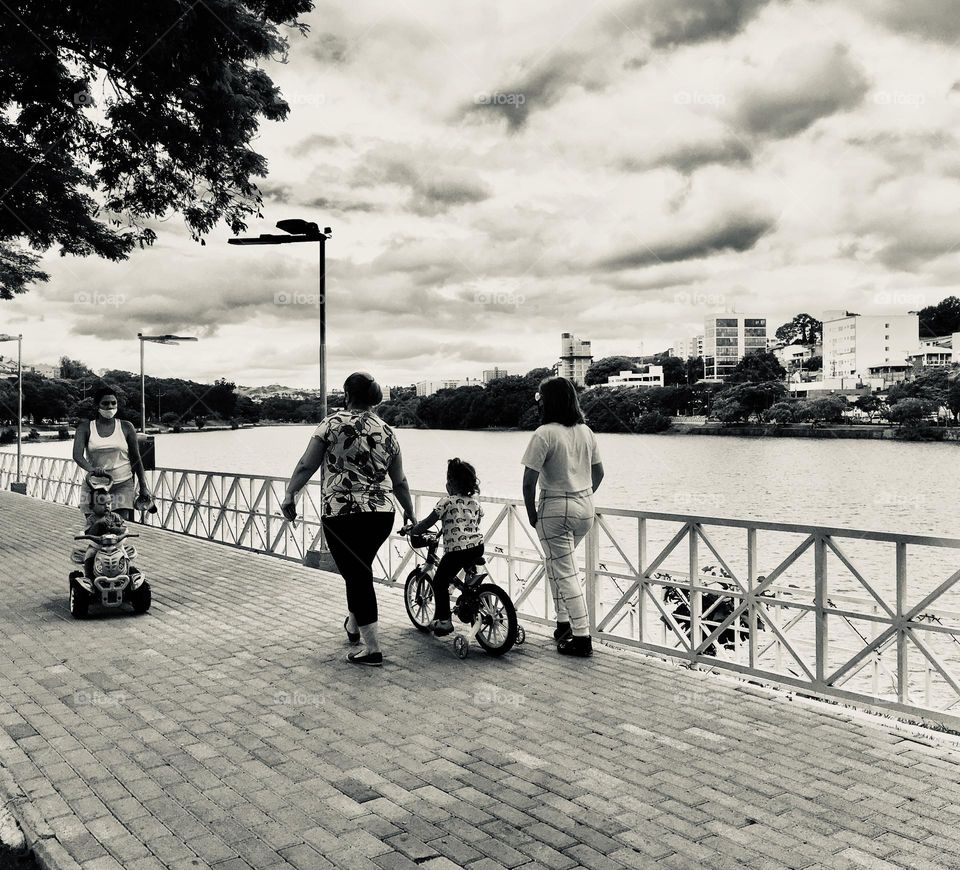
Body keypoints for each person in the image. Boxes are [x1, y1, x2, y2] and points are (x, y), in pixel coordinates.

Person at [281, 372, 416, 667]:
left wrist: (291, 493)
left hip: (343, 514)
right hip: (382, 514)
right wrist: (410, 511)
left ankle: (373, 649)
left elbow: (307, 464)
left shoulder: (331, 424)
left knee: (357, 576)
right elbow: (400, 481)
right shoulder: (387, 431)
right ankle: (354, 627)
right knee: (359, 570)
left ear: (346, 394)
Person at [521, 376, 604, 657]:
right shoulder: (586, 431)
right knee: (556, 565)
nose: (539, 401)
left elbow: (529, 481)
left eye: (540, 397)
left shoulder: (544, 433)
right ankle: (563, 624)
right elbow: (599, 473)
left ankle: (582, 638)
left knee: (565, 572)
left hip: (555, 507)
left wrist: (533, 514)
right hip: (585, 507)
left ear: (549, 401)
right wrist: (583, 493)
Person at [407, 458, 484, 636]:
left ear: (450, 483)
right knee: (467, 583)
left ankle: (444, 621)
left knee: (440, 582)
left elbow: (428, 522)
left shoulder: (446, 502)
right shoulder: (474, 503)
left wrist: (414, 530)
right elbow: (474, 521)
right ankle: (469, 602)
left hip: (457, 551)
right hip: (477, 546)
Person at [73, 386, 152, 522]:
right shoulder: (85, 428)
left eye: (113, 403)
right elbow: (77, 455)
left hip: (122, 484)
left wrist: (143, 486)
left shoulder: (127, 427)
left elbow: (136, 458)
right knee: (95, 528)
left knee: (118, 527)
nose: (110, 406)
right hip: (94, 486)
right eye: (105, 403)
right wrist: (92, 469)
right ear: (97, 405)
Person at [81, 486, 127, 579]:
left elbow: (123, 529)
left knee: (124, 555)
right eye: (102, 504)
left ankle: (127, 573)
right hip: (97, 546)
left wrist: (116, 529)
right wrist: (98, 524)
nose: (107, 506)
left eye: (109, 503)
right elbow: (89, 533)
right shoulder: (92, 519)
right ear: (92, 506)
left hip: (115, 545)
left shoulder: (115, 516)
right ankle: (89, 576)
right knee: (89, 554)